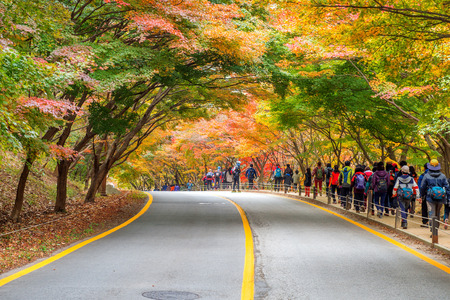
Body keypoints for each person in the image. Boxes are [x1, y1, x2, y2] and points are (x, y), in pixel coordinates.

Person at [420, 159, 450, 233]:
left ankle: (433, 231)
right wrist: (448, 197)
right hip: (441, 197)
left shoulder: (426, 176)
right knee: (438, 213)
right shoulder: (443, 176)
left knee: (431, 213)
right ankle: (436, 229)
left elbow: (422, 187)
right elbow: (447, 187)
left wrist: (422, 195)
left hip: (430, 197)